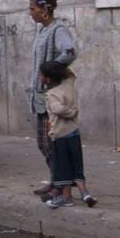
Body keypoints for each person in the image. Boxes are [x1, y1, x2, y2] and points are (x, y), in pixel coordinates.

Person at [27, 0, 79, 196]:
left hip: (52, 94)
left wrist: (50, 69)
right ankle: (56, 179)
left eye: (33, 9)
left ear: (45, 11)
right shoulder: (42, 30)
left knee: (51, 142)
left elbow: (69, 52)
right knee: (44, 142)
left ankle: (62, 184)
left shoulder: (59, 30)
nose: (30, 13)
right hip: (40, 95)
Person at [39, 61, 95, 208]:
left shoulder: (51, 94)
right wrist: (59, 64)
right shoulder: (69, 84)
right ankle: (85, 193)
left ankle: (66, 197)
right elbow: (71, 73)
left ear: (47, 79)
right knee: (76, 164)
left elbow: (57, 109)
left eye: (41, 75)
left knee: (63, 167)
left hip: (59, 136)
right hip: (74, 133)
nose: (39, 77)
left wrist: (71, 113)